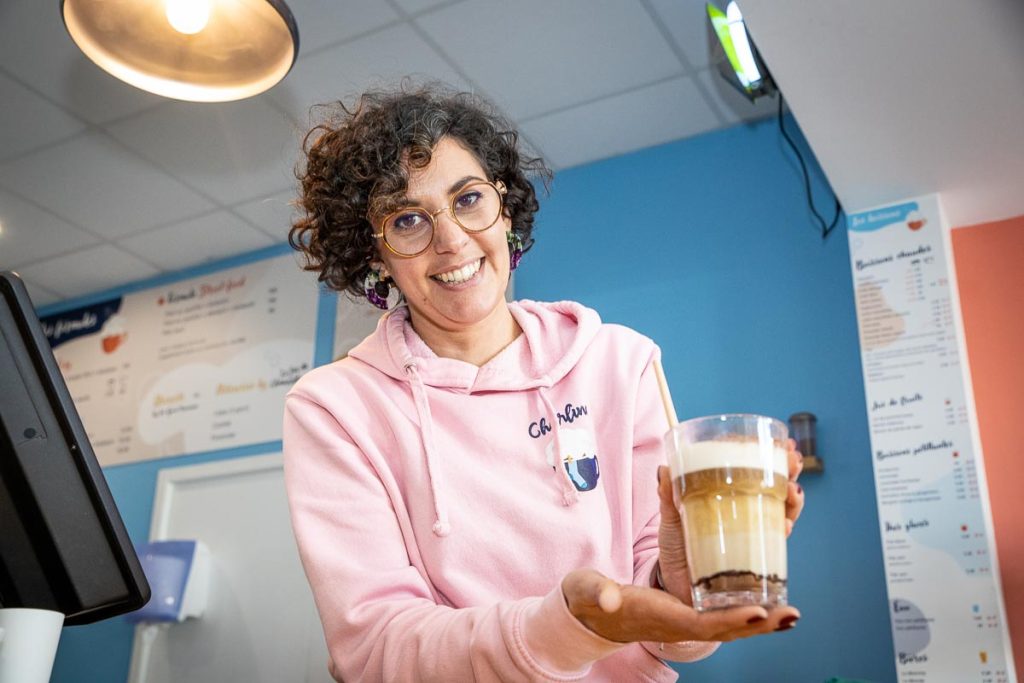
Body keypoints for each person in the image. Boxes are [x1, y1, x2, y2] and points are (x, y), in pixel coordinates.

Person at [283, 84, 805, 683]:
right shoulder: (336, 408)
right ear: (373, 253)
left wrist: (682, 587)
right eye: (407, 220)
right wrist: (565, 626)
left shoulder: (619, 361)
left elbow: (670, 637)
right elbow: (373, 653)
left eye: (470, 199)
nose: (452, 240)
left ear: (504, 210)